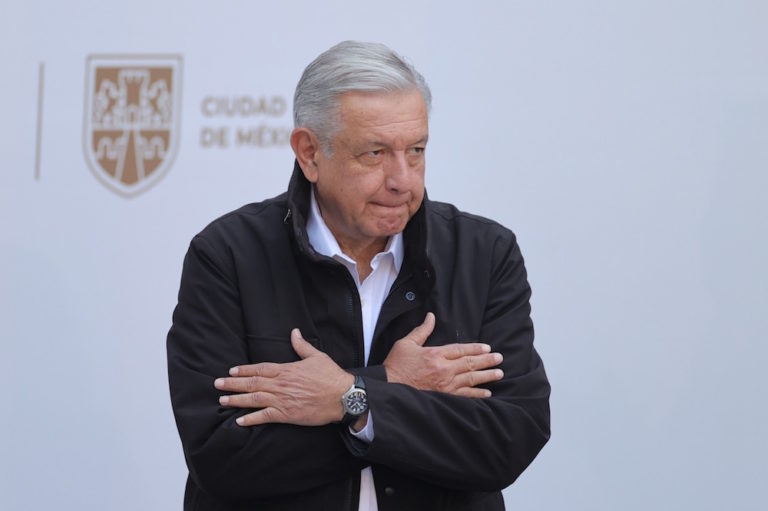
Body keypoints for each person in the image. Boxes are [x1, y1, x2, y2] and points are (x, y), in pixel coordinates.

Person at [167, 40, 550, 511]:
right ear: (309, 153)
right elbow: (221, 456)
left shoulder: (485, 254)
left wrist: (352, 399)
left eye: (416, 150)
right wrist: (392, 382)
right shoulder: (227, 256)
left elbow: (507, 439)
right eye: (375, 154)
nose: (402, 179)